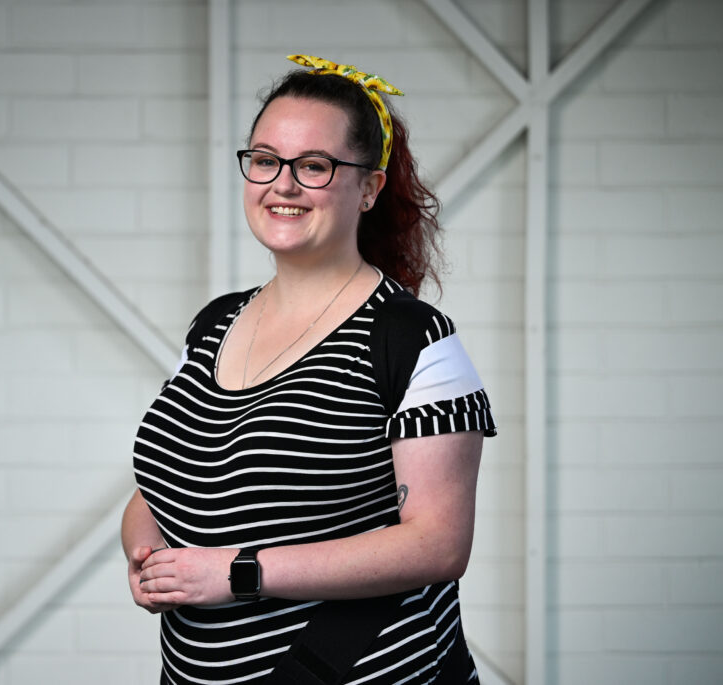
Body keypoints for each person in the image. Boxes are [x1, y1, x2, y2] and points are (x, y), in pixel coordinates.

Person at [121, 54, 496, 684]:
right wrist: (144, 551)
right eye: (265, 160)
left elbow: (438, 544)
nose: (283, 184)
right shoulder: (214, 325)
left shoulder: (412, 339)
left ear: (369, 188)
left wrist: (238, 572)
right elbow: (170, 477)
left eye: (314, 166)